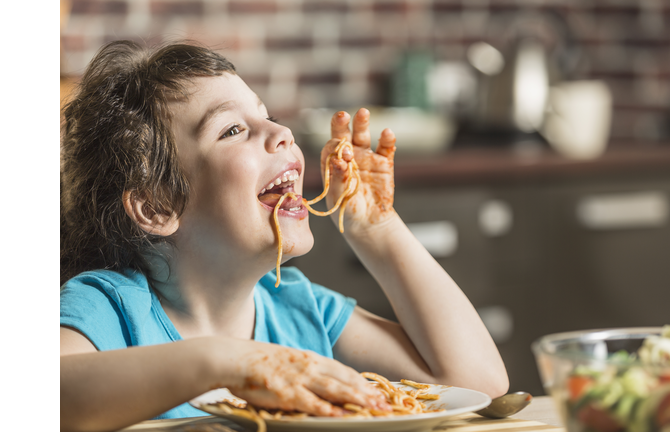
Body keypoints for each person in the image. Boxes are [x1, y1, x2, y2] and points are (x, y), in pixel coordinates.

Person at [60, 40, 508, 432]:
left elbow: (476, 382)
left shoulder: (298, 307)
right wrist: (229, 362)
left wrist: (376, 226)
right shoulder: (110, 307)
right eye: (233, 130)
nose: (282, 133)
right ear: (156, 206)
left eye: (268, 116)